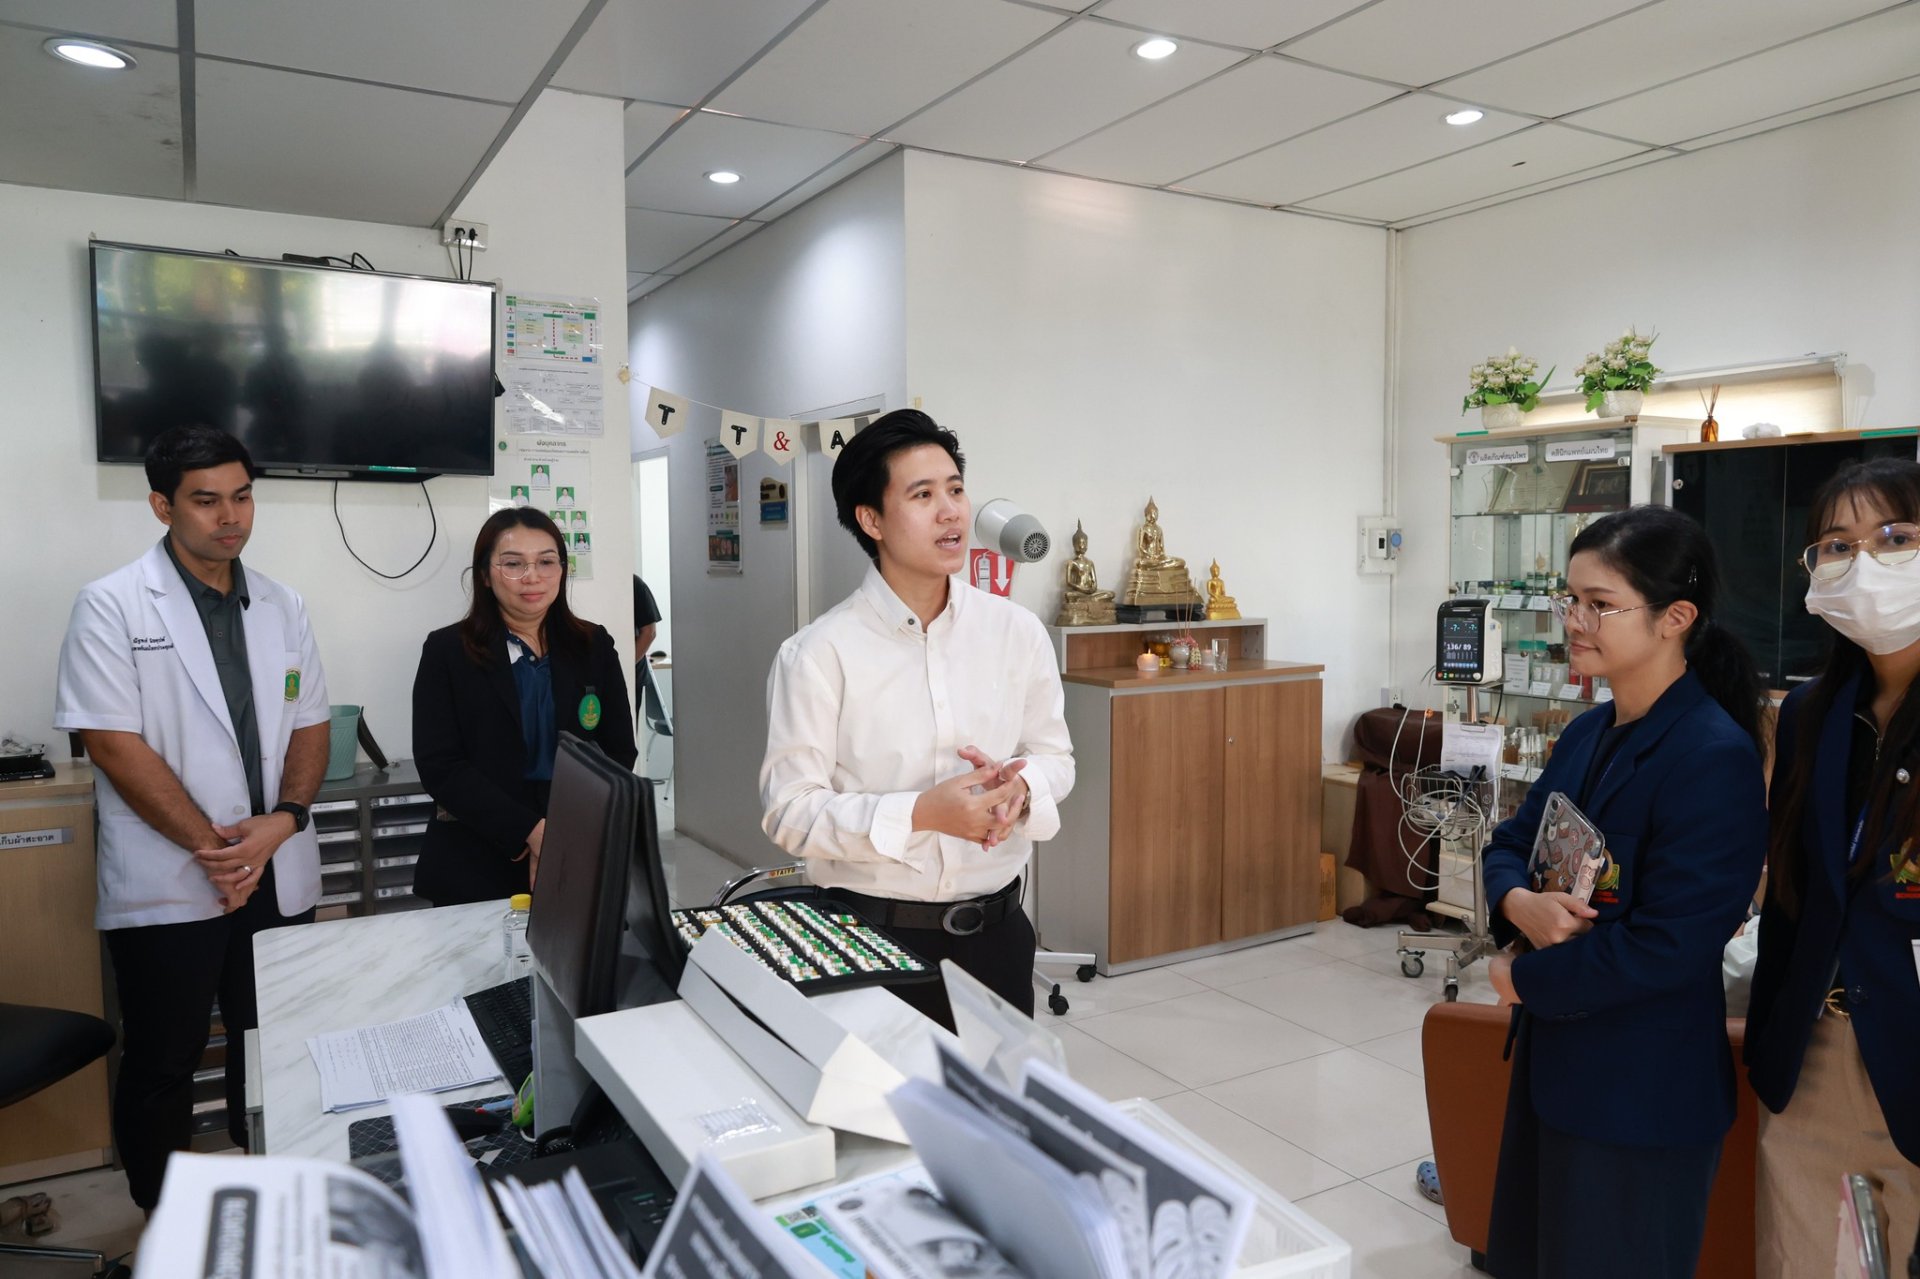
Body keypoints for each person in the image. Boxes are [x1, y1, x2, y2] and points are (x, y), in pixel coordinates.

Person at [1479, 505, 1768, 1279]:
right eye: (1569, 599)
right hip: (1556, 1071)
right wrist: (1517, 904)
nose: (1574, 621)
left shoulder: (1712, 757)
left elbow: (1670, 946)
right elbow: (1509, 844)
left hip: (1642, 1094)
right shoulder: (1587, 732)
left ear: (1676, 617)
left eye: (1599, 604)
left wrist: (1524, 977)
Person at [54, 424, 331, 1211]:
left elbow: (310, 724)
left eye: (241, 496)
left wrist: (286, 818)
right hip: (176, 874)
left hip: (274, 867)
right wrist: (219, 850)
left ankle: (272, 1190)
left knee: (273, 1045)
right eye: (206, 500)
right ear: (161, 505)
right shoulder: (111, 604)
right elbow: (112, 743)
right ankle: (164, 1218)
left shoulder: (282, 603)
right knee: (164, 1058)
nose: (230, 516)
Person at [759, 409, 1074, 1029]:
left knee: (996, 1093)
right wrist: (922, 813)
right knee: (878, 1096)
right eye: (923, 495)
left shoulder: (1016, 632)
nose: (951, 511)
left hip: (998, 937)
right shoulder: (818, 654)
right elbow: (790, 811)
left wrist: (1021, 789)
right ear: (871, 520)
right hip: (866, 941)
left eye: (955, 489)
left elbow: (1055, 758)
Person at [1746, 457, 1920, 1276]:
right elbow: (1793, 891)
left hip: (1912, 1051)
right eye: (1840, 545)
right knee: (1798, 1258)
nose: (1866, 563)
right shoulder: (1811, 711)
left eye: (1897, 537)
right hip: (1815, 1050)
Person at [411, 509, 636, 906]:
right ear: (485, 574)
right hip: (476, 853)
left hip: (575, 843)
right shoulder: (447, 651)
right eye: (513, 564)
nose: (532, 577)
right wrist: (531, 831)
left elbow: (618, 751)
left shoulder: (593, 645)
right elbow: (439, 765)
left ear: (562, 570)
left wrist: (563, 831)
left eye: (546, 562)